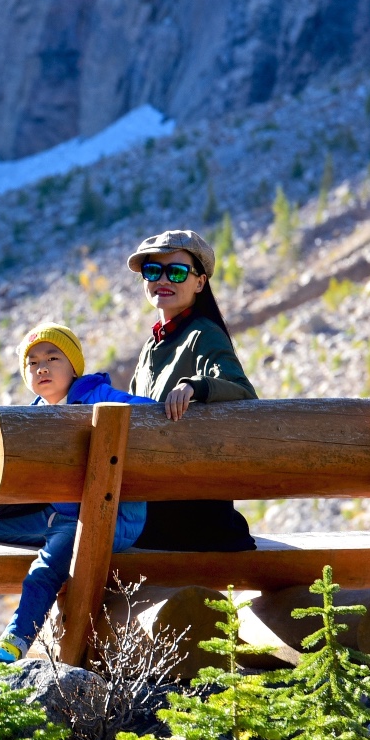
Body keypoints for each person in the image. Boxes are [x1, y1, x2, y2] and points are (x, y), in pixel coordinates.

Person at [0, 322, 153, 671]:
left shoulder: (100, 397)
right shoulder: (32, 417)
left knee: (43, 572)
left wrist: (181, 398)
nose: (41, 367)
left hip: (104, 519)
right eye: (32, 363)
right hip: (55, 514)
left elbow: (150, 412)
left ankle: (11, 647)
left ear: (74, 367)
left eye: (52, 358)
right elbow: (18, 491)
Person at [124, 228, 259, 551]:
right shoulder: (152, 346)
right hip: (160, 500)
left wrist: (195, 387)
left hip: (189, 512)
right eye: (153, 270)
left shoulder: (203, 334)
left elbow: (243, 392)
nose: (163, 279)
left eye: (178, 271)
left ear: (200, 282)